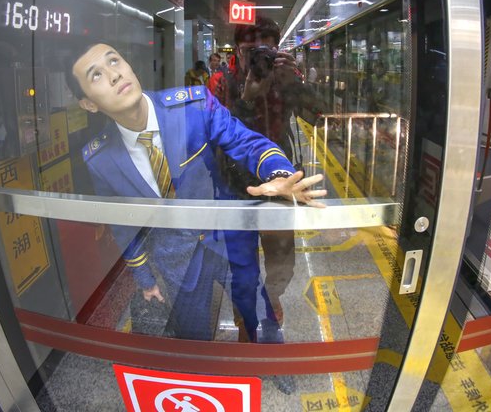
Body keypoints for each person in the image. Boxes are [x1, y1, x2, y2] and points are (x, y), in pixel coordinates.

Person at [66, 42, 325, 341]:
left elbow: (246, 141)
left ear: (129, 66)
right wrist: (144, 278)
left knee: (256, 308)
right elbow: (122, 222)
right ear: (88, 103)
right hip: (175, 259)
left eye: (114, 61)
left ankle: (272, 360)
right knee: (194, 333)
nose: (113, 75)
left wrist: (278, 174)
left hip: (228, 238)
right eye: (96, 75)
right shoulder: (100, 159)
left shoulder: (194, 106)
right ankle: (203, 377)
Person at [215, 15, 321, 333]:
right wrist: (246, 99)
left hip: (280, 179)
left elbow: (317, 117)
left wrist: (295, 84)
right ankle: (246, 323)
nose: (257, 59)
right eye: (250, 51)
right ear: (235, 50)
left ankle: (271, 305)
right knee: (241, 267)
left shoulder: (284, 76)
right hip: (236, 185)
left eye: (266, 50)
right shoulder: (221, 81)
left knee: (282, 262)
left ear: (277, 50)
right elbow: (217, 134)